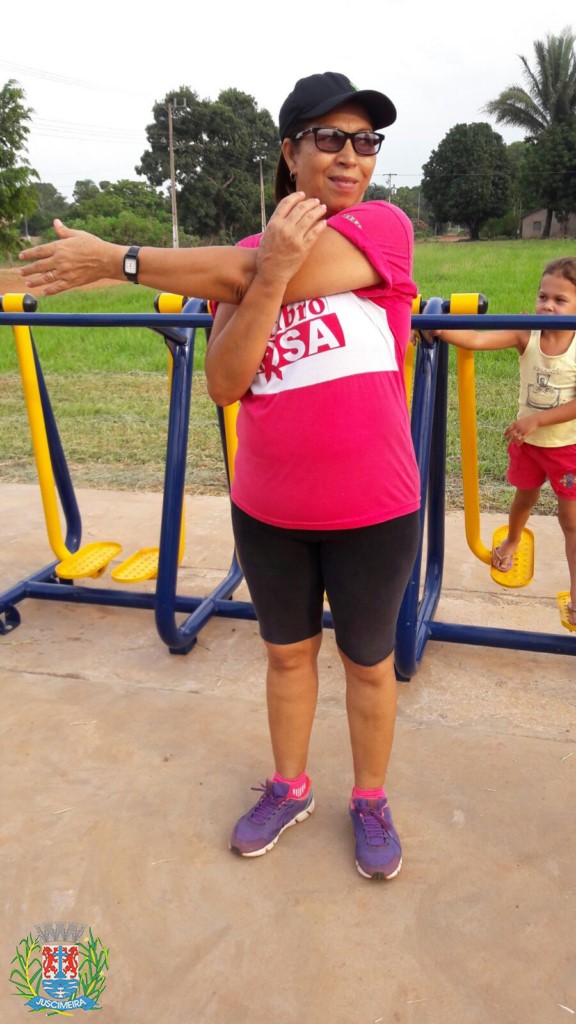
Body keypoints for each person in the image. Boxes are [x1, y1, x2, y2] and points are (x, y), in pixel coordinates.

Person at [19, 71, 421, 880]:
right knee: (287, 657)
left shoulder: (383, 228)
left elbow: (249, 273)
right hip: (270, 508)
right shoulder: (238, 260)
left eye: (366, 141)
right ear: (291, 152)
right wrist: (267, 273)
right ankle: (290, 786)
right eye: (330, 138)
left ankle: (370, 799)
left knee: (369, 663)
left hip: (374, 506)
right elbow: (227, 381)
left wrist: (117, 261)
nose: (351, 156)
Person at [432, 257, 576, 625]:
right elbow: (479, 339)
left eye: (560, 300)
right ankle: (512, 539)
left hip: (567, 450)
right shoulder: (527, 334)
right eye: (543, 296)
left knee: (571, 520)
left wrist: (537, 419)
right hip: (528, 447)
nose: (548, 306)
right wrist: (439, 327)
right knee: (523, 500)